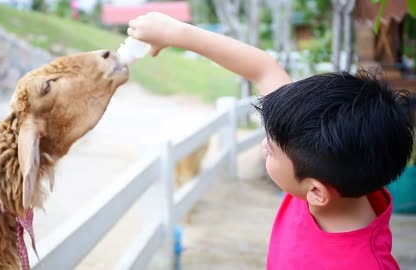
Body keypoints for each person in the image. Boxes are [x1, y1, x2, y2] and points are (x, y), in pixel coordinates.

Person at [127, 12, 413, 270]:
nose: (265, 145)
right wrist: (176, 33)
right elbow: (263, 68)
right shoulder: (326, 163)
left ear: (316, 192)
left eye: (272, 151)